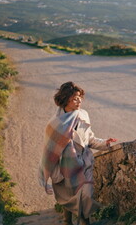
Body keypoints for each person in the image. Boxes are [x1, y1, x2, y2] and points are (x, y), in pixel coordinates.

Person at [38, 81, 117, 225]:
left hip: (84, 163)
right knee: (68, 196)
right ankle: (67, 219)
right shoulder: (55, 124)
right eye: (75, 98)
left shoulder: (84, 115)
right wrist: (48, 175)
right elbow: (49, 152)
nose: (79, 100)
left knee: (85, 195)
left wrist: (105, 142)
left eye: (80, 97)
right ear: (65, 99)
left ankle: (84, 221)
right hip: (65, 167)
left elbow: (90, 139)